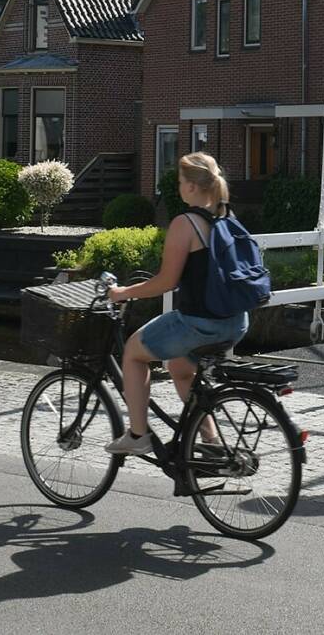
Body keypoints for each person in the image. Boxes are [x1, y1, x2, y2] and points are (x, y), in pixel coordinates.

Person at [102, 152, 248, 455]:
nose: (179, 187)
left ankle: (138, 434)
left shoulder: (186, 223)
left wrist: (123, 293)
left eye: (181, 181)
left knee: (133, 352)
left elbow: (165, 282)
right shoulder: (226, 216)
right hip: (236, 321)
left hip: (200, 323)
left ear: (192, 187)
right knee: (181, 367)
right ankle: (211, 442)